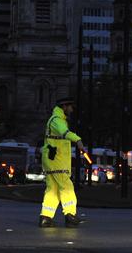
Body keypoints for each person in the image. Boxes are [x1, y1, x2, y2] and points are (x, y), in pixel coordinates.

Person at [39, 97, 86, 228]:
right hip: (57, 160)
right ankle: (70, 215)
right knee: (67, 187)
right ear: (64, 107)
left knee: (52, 190)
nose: (71, 110)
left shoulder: (56, 120)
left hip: (53, 159)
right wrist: (78, 140)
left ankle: (46, 217)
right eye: (70, 107)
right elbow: (64, 133)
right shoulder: (57, 120)